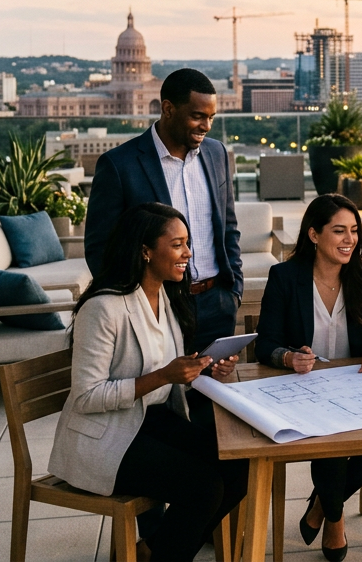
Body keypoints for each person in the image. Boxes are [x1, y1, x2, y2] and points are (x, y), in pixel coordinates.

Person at [48, 203, 247, 562]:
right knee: (203, 487)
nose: (188, 253)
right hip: (104, 436)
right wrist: (164, 375)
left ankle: (151, 550)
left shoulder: (165, 297)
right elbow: (86, 397)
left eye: (188, 243)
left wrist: (202, 370)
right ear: (144, 250)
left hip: (150, 421)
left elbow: (168, 376)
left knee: (238, 464)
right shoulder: (103, 308)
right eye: (177, 244)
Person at [256, 194, 362, 562]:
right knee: (329, 441)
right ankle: (335, 520)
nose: (349, 239)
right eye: (338, 231)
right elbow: (265, 344)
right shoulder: (285, 276)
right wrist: (287, 357)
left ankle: (321, 504)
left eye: (353, 231)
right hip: (302, 388)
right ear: (314, 234)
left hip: (356, 384)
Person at [85, 68, 243, 354]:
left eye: (211, 117)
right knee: (163, 395)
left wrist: (233, 293)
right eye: (197, 116)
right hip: (157, 307)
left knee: (213, 396)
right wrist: (135, 306)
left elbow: (228, 227)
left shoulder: (217, 153)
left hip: (216, 303)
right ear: (168, 109)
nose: (206, 126)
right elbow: (99, 249)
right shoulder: (120, 165)